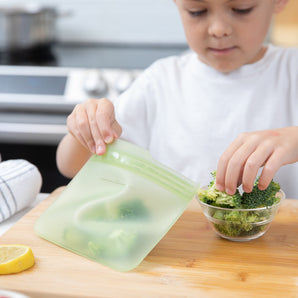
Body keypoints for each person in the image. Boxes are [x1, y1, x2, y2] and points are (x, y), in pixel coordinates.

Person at [56, 0, 298, 198]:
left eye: (241, 9)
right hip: (182, 247)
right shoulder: (161, 81)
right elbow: (71, 166)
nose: (218, 29)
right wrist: (86, 128)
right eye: (197, 11)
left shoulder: (292, 70)